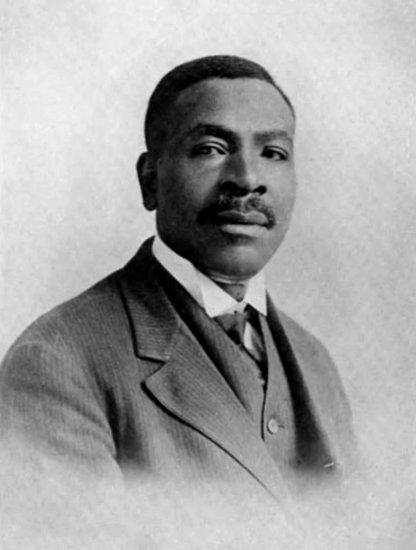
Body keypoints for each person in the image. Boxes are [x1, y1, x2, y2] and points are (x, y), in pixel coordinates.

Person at [0, 55, 355, 518]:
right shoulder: (56, 359)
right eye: (210, 148)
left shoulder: (316, 361)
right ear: (150, 180)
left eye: (272, 153)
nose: (248, 179)